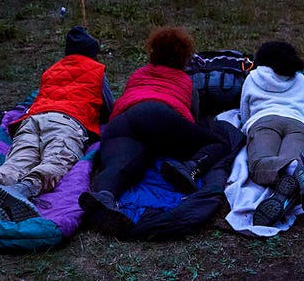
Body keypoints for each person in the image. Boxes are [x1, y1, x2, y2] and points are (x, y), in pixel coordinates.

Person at [80, 26, 234, 233]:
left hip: (124, 121)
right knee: (219, 142)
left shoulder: (138, 74)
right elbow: (192, 120)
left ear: (153, 52)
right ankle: (190, 168)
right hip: (162, 116)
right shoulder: (185, 82)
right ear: (184, 57)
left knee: (120, 165)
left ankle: (104, 196)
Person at [0, 26, 114, 222]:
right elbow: (108, 107)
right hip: (66, 121)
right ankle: (22, 190)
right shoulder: (97, 71)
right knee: (56, 159)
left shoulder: (52, 70)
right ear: (93, 54)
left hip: (32, 120)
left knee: (18, 160)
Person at [239, 41, 304, 227]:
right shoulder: (301, 80)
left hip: (264, 121)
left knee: (261, 164)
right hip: (299, 125)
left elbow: (244, 114)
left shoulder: (253, 77)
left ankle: (290, 170)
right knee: (294, 158)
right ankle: (298, 170)